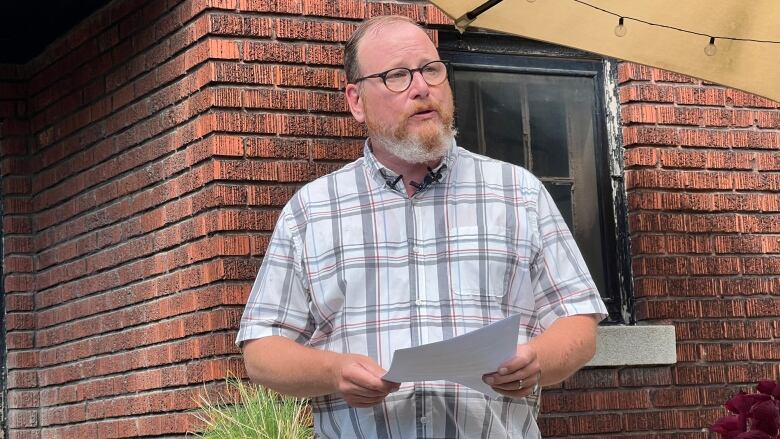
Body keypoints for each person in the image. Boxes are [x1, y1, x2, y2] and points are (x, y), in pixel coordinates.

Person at [237, 15, 608, 438]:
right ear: (356, 100)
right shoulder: (311, 211)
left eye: (431, 69)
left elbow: (578, 322)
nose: (421, 87)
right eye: (397, 75)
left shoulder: (517, 193)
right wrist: (333, 371)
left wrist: (537, 358)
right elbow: (262, 351)